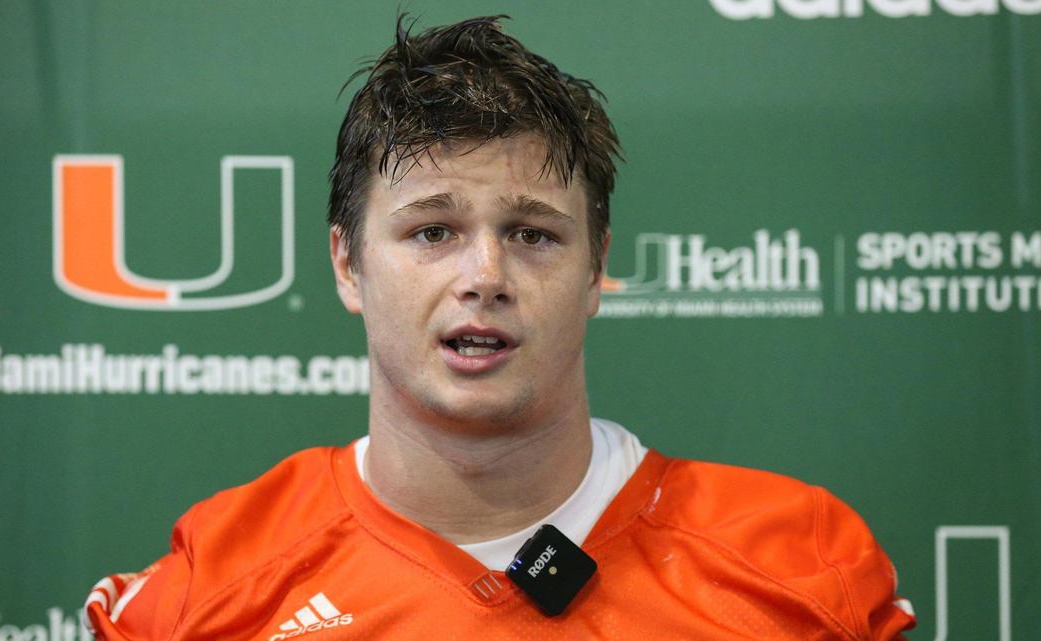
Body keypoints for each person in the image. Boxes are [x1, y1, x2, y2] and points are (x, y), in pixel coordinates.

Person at [84, 15, 916, 640]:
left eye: (532, 233)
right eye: (433, 231)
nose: (484, 276)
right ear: (347, 264)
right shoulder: (211, 589)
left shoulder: (798, 567)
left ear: (594, 269)